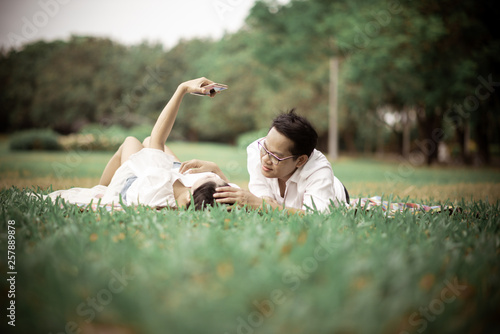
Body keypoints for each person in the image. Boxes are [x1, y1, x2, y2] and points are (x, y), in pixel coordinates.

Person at [48, 77, 233, 210]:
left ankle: (103, 189)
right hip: (172, 177)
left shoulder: (157, 183)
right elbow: (228, 191)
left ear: (189, 193)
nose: (216, 177)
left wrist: (182, 89)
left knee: (132, 141)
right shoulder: (207, 195)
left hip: (134, 181)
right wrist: (215, 169)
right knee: (146, 143)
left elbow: (157, 139)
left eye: (209, 177)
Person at [180, 109, 349, 214]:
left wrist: (260, 204)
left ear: (301, 160)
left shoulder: (318, 171)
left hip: (335, 193)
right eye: (265, 149)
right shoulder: (256, 150)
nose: (265, 159)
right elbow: (260, 197)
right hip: (285, 204)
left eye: (275, 156)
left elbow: (317, 218)